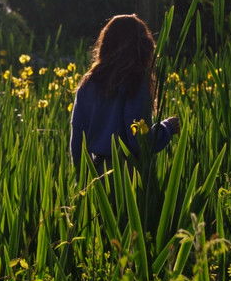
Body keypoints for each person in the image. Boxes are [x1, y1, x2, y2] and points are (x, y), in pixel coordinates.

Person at [69, 14, 180, 168]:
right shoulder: (134, 82)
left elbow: (77, 142)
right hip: (128, 172)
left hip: (97, 173)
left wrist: (82, 181)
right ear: (142, 46)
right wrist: (167, 128)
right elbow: (139, 142)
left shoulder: (88, 83)